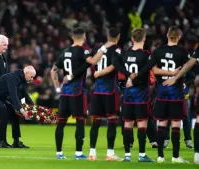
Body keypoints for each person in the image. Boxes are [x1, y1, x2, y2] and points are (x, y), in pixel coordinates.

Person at [129, 26, 189, 163]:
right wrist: (176, 75)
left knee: (161, 124)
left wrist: (135, 77)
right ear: (179, 36)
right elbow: (189, 69)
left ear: (167, 35)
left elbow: (150, 68)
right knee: (175, 124)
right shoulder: (182, 52)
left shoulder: (159, 51)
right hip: (176, 94)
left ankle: (160, 156)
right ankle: (175, 157)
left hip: (161, 94)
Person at [116, 28, 155, 162]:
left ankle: (127, 155)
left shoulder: (125, 53)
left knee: (128, 123)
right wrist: (135, 79)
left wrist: (128, 79)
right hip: (141, 94)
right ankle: (142, 155)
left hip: (127, 95)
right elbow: (146, 73)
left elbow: (117, 66)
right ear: (144, 39)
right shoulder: (146, 54)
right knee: (142, 123)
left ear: (132, 39)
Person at [51, 27, 89, 160]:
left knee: (61, 122)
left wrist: (57, 88)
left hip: (64, 93)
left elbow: (53, 70)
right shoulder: (84, 51)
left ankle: (59, 153)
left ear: (72, 37)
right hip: (77, 92)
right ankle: (78, 153)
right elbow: (89, 64)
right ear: (83, 37)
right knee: (80, 121)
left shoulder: (65, 52)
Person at [84, 28, 123, 161]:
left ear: (107, 36)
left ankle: (92, 153)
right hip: (110, 89)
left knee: (96, 121)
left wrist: (96, 73)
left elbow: (92, 61)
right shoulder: (117, 49)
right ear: (118, 36)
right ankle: (110, 153)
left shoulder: (99, 49)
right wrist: (100, 73)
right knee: (112, 121)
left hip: (97, 89)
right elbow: (114, 65)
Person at [0, 66, 36, 148]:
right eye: (31, 77)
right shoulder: (13, 78)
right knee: (4, 113)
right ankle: (0, 142)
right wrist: (23, 111)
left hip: (0, 99)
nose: (32, 79)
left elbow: (25, 95)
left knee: (14, 114)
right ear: (26, 73)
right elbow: (14, 96)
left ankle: (16, 141)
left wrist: (34, 108)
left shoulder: (21, 79)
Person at [163, 46, 199, 164]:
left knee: (186, 117)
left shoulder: (188, 65)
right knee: (169, 117)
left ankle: (188, 140)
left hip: (183, 93)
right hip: (171, 93)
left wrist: (185, 84)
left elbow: (192, 78)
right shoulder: (172, 65)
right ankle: (166, 139)